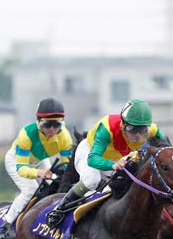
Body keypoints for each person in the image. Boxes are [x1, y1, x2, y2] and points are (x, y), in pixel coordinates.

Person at [45, 98, 166, 228]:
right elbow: (92, 159)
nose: (137, 136)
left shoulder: (152, 129)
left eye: (142, 131)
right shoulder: (107, 128)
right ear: (123, 124)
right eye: (132, 129)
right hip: (89, 152)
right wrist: (112, 165)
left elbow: (166, 149)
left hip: (115, 158)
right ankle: (59, 209)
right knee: (92, 180)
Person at [0, 97, 73, 239]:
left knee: (54, 186)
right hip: (17, 161)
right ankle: (5, 225)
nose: (52, 130)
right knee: (30, 190)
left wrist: (58, 173)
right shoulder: (26, 134)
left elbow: (66, 166)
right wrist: (39, 173)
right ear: (38, 122)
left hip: (40, 159)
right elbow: (22, 168)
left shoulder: (65, 137)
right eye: (47, 125)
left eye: (56, 125)